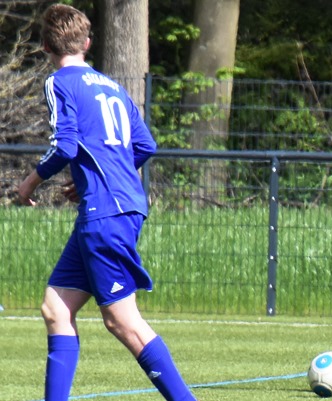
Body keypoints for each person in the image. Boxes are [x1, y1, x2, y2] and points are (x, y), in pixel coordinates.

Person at [17, 4, 199, 401]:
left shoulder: (58, 82)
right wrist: (103, 177)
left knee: (122, 321)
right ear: (86, 43)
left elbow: (65, 146)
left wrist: (29, 183)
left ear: (45, 45)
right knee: (56, 308)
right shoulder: (111, 85)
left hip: (105, 213)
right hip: (114, 206)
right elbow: (145, 145)